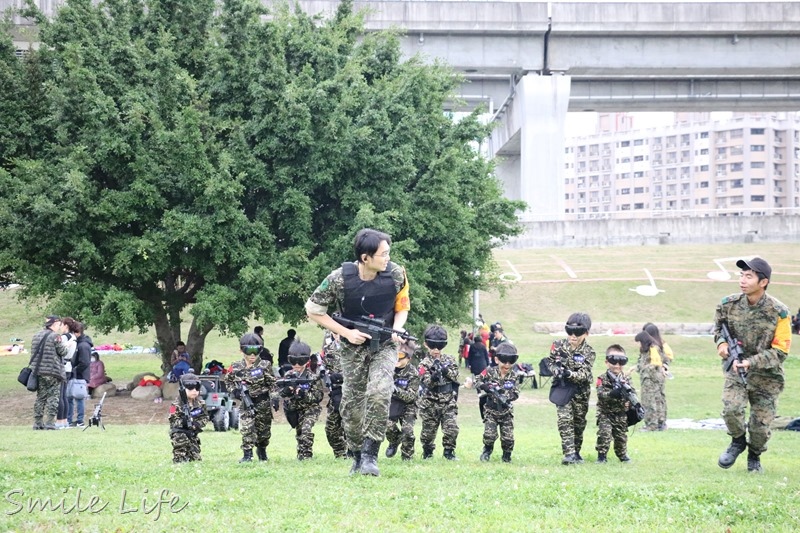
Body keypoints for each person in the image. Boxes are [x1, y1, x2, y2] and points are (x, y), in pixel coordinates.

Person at [305, 228, 410, 477]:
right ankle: (356, 454)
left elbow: (403, 306)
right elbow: (313, 310)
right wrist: (345, 332)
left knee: (380, 391)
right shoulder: (339, 278)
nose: (387, 258)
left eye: (388, 253)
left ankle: (371, 454)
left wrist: (397, 328)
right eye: (383, 254)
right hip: (352, 348)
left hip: (384, 344)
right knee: (351, 406)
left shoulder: (396, 273)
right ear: (366, 257)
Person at [714, 257, 791, 474]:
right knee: (731, 409)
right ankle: (737, 441)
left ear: (763, 282)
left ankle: (754, 456)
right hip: (735, 370)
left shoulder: (780, 312)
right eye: (741, 275)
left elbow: (781, 351)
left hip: (767, 377)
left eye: (749, 276)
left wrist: (751, 362)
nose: (742, 280)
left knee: (760, 427)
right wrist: (721, 343)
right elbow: (718, 327)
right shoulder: (728, 304)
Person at [546, 312, 596, 465]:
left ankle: (576, 451)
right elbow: (550, 362)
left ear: (586, 333)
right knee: (565, 420)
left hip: (580, 392)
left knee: (579, 424)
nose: (573, 336)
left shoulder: (589, 352)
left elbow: (584, 373)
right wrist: (556, 371)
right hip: (562, 389)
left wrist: (569, 373)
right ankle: (569, 454)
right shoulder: (558, 345)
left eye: (578, 332)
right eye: (570, 331)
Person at [224, 333, 277, 462]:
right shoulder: (236, 366)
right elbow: (227, 381)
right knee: (247, 428)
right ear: (242, 350)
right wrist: (234, 391)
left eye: (256, 351)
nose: (252, 355)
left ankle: (262, 451)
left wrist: (275, 397)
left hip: (263, 402)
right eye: (249, 351)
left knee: (264, 431)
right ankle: (247, 454)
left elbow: (272, 383)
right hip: (246, 403)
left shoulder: (265, 365)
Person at [418, 325, 460, 460]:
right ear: (426, 345)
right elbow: (424, 381)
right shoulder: (423, 364)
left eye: (439, 347)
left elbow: (455, 376)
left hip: (448, 401)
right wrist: (434, 377)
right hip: (430, 402)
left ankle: (449, 452)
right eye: (433, 347)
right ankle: (427, 452)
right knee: (428, 433)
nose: (436, 350)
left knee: (451, 428)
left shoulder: (450, 360)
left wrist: (445, 371)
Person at [279, 341, 325, 460]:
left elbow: (318, 397)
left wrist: (304, 394)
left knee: (306, 430)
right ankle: (301, 455)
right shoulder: (288, 375)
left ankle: (307, 456)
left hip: (310, 409)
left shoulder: (313, 377)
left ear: (307, 361)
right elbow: (279, 393)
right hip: (294, 410)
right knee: (299, 433)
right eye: (293, 361)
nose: (297, 365)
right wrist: (286, 391)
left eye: (301, 361)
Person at [475, 342, 520, 463]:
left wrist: (504, 396)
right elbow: (477, 380)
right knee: (489, 435)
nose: (507, 365)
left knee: (508, 438)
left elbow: (516, 393)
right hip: (491, 410)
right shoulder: (489, 371)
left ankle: (506, 456)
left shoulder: (514, 376)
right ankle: (487, 451)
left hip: (506, 412)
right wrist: (485, 386)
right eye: (504, 361)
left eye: (510, 362)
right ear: (497, 359)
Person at [595, 345, 635, 463]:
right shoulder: (602, 378)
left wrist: (632, 405)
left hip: (621, 414)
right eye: (613, 361)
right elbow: (601, 394)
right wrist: (613, 393)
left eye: (621, 362)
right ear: (607, 362)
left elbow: (632, 393)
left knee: (621, 437)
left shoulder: (626, 379)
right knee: (604, 434)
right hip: (605, 413)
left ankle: (622, 455)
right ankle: (602, 456)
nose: (617, 365)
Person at [29, 316, 68, 430]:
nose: (60, 327)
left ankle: (37, 423)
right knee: (53, 397)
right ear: (54, 324)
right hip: (53, 372)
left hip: (39, 371)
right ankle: (50, 423)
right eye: (59, 325)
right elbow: (63, 352)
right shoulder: (56, 336)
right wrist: (67, 346)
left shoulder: (36, 336)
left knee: (40, 397)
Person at [385, 346, 420, 461]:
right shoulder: (388, 369)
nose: (397, 360)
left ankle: (407, 456)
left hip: (408, 405)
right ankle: (394, 441)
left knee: (407, 431)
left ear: (408, 358)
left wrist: (395, 389)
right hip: (392, 403)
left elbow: (410, 396)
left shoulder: (413, 373)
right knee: (387, 426)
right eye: (395, 357)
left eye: (400, 357)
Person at [168, 372, 209, 463]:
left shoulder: (200, 404)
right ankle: (179, 459)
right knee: (181, 451)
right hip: (179, 433)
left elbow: (205, 417)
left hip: (193, 433)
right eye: (190, 388)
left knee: (196, 458)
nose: (194, 391)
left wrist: (197, 424)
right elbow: (172, 420)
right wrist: (184, 422)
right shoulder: (176, 405)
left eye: (197, 388)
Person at [634, 330, 669, 431]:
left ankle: (651, 424)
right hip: (649, 380)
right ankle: (659, 423)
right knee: (655, 401)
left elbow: (655, 363)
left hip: (651, 380)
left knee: (649, 402)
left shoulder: (653, 349)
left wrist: (643, 368)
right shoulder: (649, 349)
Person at [321, 332, 347, 458]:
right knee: (331, 428)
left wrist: (342, 377)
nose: (338, 335)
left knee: (350, 425)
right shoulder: (328, 349)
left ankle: (354, 452)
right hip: (335, 393)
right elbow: (324, 367)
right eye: (335, 332)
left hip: (352, 392)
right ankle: (340, 453)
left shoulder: (355, 347)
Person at [67, 322, 93, 428]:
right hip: (75, 375)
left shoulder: (83, 345)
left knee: (79, 398)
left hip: (80, 376)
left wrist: (75, 370)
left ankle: (79, 420)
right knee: (69, 397)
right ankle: (69, 419)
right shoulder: (78, 343)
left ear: (77, 333)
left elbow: (85, 362)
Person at [56, 317, 80, 429]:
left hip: (63, 367)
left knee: (60, 395)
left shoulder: (64, 338)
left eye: (61, 325)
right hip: (69, 367)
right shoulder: (74, 337)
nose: (60, 327)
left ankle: (60, 421)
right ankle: (65, 421)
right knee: (64, 395)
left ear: (66, 326)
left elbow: (60, 350)